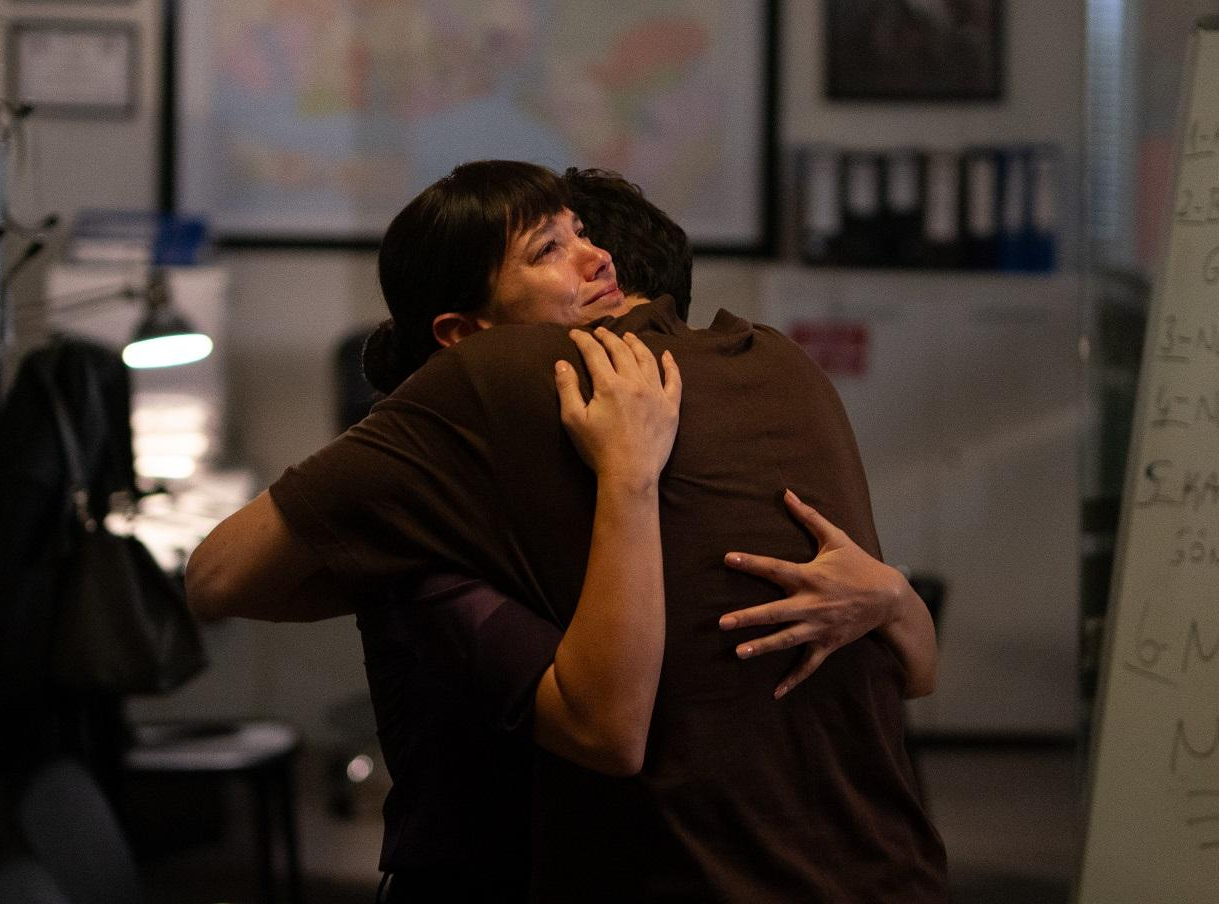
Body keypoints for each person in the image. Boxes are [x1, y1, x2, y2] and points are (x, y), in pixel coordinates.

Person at [188, 161, 946, 901]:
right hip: (895, 868)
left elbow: (217, 579)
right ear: (464, 330)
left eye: (581, 233)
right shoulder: (777, 359)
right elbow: (914, 676)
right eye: (548, 249)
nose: (594, 258)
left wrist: (400, 557)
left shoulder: (497, 388)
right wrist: (894, 595)